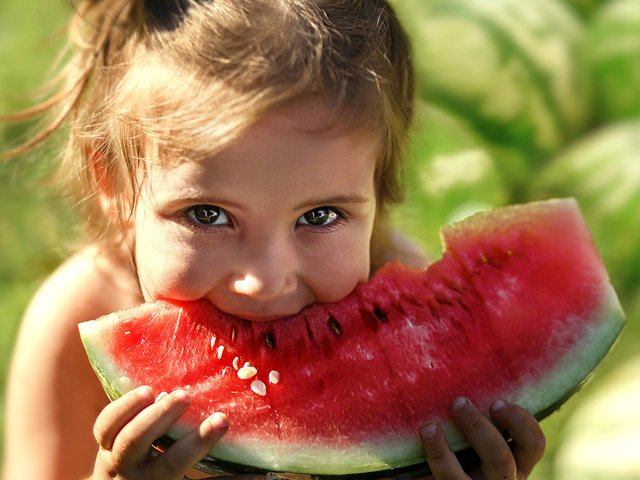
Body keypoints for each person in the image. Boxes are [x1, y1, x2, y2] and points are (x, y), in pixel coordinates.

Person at [1, 1, 546, 479]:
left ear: (378, 191)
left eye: (320, 215)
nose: (264, 281)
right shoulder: (78, 314)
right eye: (207, 214)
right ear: (114, 187)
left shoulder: (401, 303)